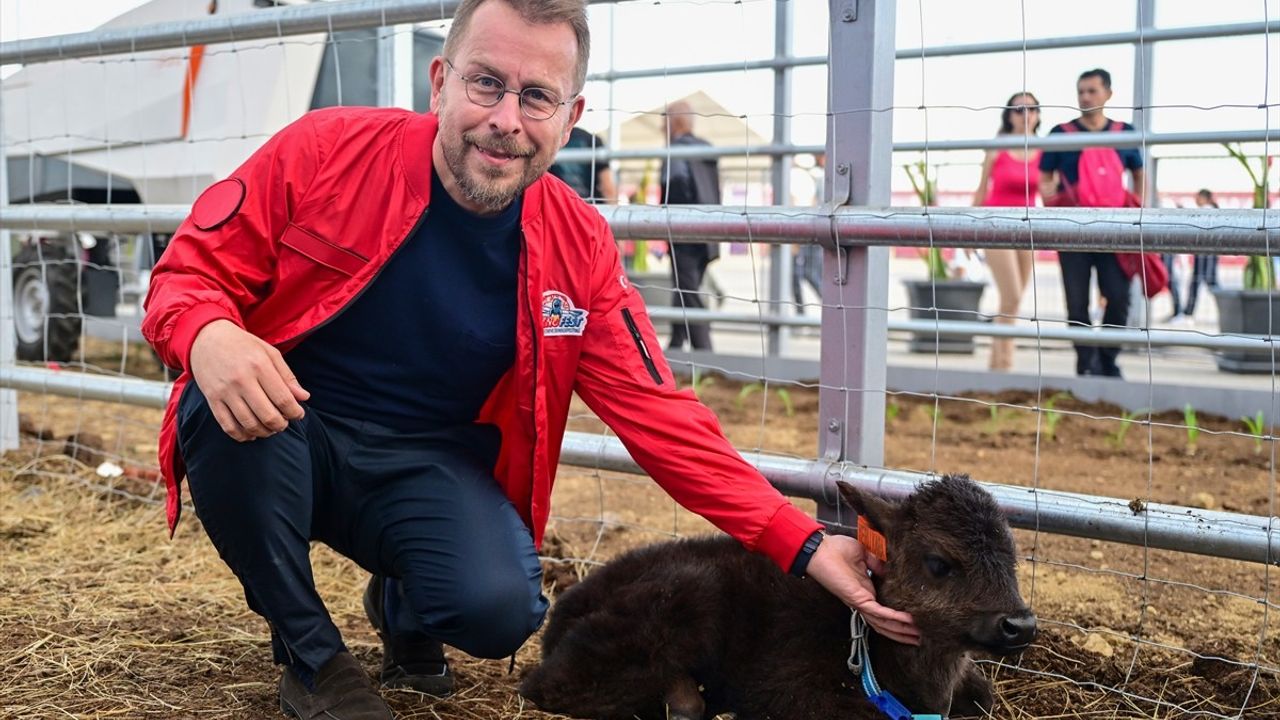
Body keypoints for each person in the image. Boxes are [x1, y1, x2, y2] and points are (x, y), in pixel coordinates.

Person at [141, 1, 918, 717]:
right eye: (486, 84)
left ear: (571, 117)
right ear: (441, 83)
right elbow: (187, 274)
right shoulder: (325, 150)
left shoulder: (578, 247)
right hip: (291, 426)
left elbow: (665, 421)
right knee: (223, 407)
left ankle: (405, 598)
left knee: (498, 610)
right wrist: (210, 333)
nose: (506, 120)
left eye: (537, 97)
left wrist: (805, 543)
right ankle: (312, 660)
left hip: (427, 466)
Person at [1038, 68, 1146, 378]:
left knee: (1119, 297)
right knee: (1076, 303)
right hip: (1071, 232)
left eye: (1092, 90)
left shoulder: (1125, 132)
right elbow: (1046, 175)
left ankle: (1107, 359)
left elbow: (1139, 172)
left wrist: (1135, 210)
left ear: (1108, 94)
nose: (1085, 96)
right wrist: (1050, 196)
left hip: (1116, 231)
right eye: (1081, 91)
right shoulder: (1061, 134)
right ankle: (1086, 362)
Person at [972, 92, 1042, 371]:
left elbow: (1050, 190)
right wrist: (966, 232)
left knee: (1012, 302)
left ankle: (996, 370)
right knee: (1011, 295)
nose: (1025, 114)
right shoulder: (996, 146)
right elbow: (980, 190)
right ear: (1008, 114)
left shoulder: (1047, 148)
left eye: (1032, 109)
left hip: (1028, 230)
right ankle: (1004, 366)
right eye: (1018, 109)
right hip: (995, 227)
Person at [660, 99, 721, 351]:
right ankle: (675, 344)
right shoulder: (708, 149)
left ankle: (705, 352)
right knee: (686, 288)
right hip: (709, 232)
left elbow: (673, 187)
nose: (661, 130)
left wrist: (664, 224)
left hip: (683, 232)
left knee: (688, 292)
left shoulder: (674, 150)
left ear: (674, 122)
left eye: (662, 124)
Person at [1176, 188, 1221, 321]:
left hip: (1204, 252)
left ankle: (1188, 312)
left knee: (1200, 281)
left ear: (1204, 198)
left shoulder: (1207, 210)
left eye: (1198, 197)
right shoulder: (1214, 210)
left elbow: (1192, 218)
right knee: (1209, 281)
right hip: (1209, 252)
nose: (1196, 199)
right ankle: (1189, 311)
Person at [792, 153, 825, 315]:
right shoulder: (816, 178)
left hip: (813, 232)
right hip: (813, 232)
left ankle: (832, 306)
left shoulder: (818, 178)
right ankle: (832, 307)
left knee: (808, 273)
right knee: (807, 273)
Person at [548, 125, 616, 203]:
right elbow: (607, 186)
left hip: (560, 204)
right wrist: (613, 210)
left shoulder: (551, 141)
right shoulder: (593, 140)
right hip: (591, 207)